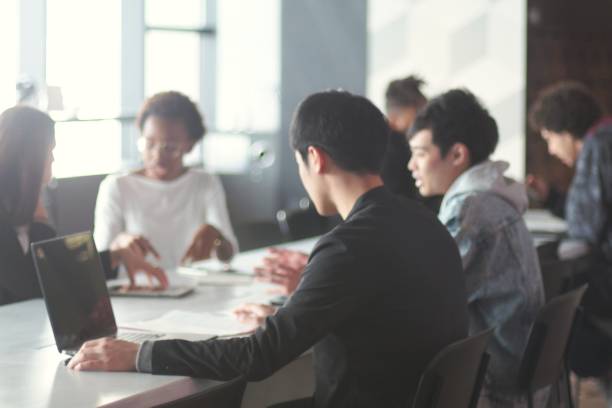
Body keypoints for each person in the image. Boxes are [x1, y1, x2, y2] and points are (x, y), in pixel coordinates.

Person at [68, 90, 469, 408]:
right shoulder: (425, 223)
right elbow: (381, 312)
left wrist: (139, 354)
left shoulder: (348, 246)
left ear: (315, 158)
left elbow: (258, 357)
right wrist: (291, 315)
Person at [407, 89, 545, 407]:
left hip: (495, 384)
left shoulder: (472, 210)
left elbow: (427, 295)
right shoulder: (492, 197)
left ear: (457, 155)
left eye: (420, 153)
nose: (411, 165)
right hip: (522, 373)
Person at [0, 106, 167, 306]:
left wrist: (116, 256)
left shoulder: (25, 208)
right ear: (29, 155)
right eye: (49, 150)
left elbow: (55, 271)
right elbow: (36, 286)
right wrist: (40, 222)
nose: (53, 158)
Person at [94, 91, 238, 272]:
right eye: (149, 143)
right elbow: (99, 258)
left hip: (193, 287)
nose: (157, 155)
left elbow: (230, 255)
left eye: (170, 147)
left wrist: (219, 239)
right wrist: (120, 244)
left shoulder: (205, 183)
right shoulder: (117, 186)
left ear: (190, 145)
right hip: (137, 289)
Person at [529, 81, 612, 386]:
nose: (551, 149)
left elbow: (585, 230)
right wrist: (552, 197)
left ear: (566, 130)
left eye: (549, 138)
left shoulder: (598, 144)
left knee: (545, 300)